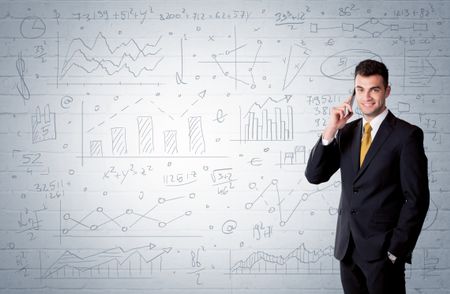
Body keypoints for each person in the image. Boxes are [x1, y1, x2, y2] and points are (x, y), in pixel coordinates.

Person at [305, 59, 429, 294]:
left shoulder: (406, 136)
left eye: (374, 89)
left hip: (383, 256)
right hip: (347, 250)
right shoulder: (347, 132)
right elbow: (314, 175)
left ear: (387, 91)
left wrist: (395, 251)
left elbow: (417, 200)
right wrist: (331, 130)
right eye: (360, 90)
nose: (366, 97)